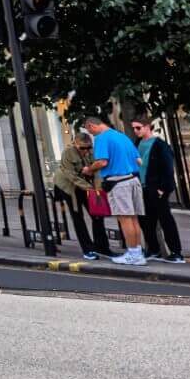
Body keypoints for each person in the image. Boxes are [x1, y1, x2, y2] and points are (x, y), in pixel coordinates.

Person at [83, 112, 146, 265]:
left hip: (118, 182)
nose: (91, 135)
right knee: (134, 219)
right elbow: (139, 161)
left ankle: (133, 255)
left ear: (92, 126)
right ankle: (138, 252)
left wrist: (89, 170)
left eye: (89, 131)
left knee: (125, 219)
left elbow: (102, 162)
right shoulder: (122, 136)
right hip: (133, 180)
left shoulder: (102, 138)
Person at [129, 116, 187, 264]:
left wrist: (163, 188)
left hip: (157, 188)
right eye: (134, 128)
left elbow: (168, 168)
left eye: (138, 128)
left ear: (148, 127)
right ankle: (153, 249)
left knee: (165, 219)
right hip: (142, 187)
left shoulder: (160, 145)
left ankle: (176, 253)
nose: (135, 131)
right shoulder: (138, 143)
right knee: (146, 221)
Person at [50, 131, 112, 260]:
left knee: (97, 215)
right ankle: (88, 249)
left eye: (88, 147)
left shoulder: (92, 151)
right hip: (68, 186)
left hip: (85, 185)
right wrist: (91, 189)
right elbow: (71, 176)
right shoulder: (68, 153)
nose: (86, 150)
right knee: (78, 217)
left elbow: (96, 172)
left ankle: (102, 248)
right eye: (83, 148)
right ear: (75, 144)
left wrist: (97, 190)